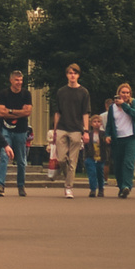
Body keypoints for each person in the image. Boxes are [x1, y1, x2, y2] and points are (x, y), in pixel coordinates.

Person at [48, 63, 91, 198]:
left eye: (75, 73)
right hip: (62, 127)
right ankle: (68, 179)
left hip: (77, 129)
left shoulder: (84, 92)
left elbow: (85, 113)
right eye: (70, 73)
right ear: (67, 75)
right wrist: (54, 131)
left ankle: (68, 187)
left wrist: (86, 131)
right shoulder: (61, 92)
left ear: (78, 75)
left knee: (73, 160)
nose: (73, 75)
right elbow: (57, 112)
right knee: (61, 159)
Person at [101, 82, 135, 197]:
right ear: (118, 93)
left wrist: (124, 105)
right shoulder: (112, 107)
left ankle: (127, 186)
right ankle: (121, 186)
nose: (125, 95)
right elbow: (110, 124)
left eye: (128, 93)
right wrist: (107, 135)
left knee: (128, 162)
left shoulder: (133, 103)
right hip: (117, 139)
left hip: (131, 138)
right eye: (123, 92)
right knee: (118, 164)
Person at [0, 69, 33, 197]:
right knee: (4, 156)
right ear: (11, 81)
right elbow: (0, 112)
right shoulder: (4, 94)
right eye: (16, 80)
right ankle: (0, 185)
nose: (19, 83)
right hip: (6, 129)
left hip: (21, 130)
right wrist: (18, 111)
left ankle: (21, 185)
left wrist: (9, 111)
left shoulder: (26, 94)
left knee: (21, 159)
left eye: (21, 80)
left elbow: (27, 112)